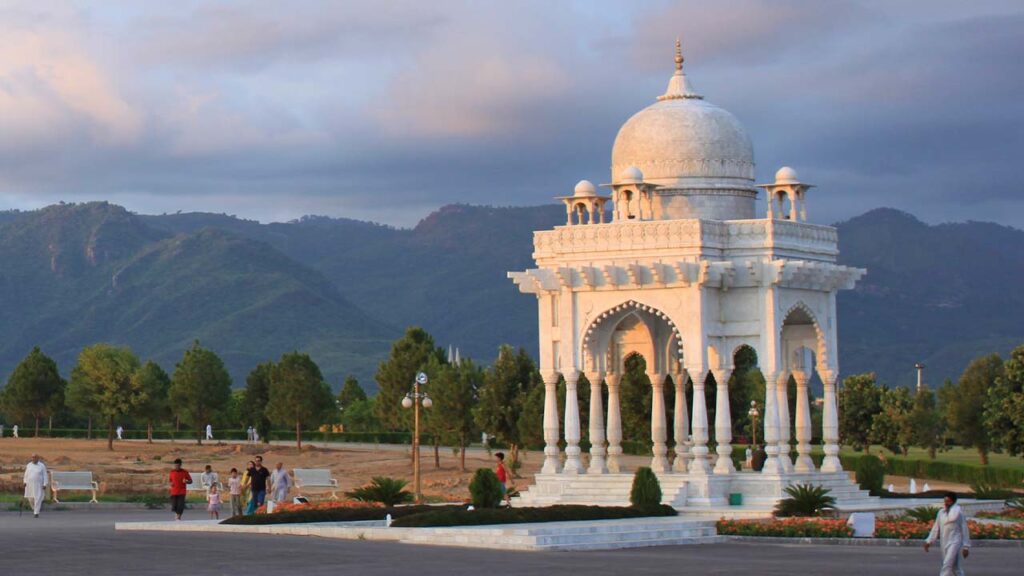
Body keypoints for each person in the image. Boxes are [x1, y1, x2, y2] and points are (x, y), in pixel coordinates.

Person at [925, 492, 971, 576]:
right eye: (945, 501)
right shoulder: (941, 513)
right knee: (955, 567)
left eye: (949, 501)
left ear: (953, 502)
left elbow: (964, 529)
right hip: (944, 541)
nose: (946, 503)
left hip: (955, 541)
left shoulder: (959, 514)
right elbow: (936, 528)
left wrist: (966, 547)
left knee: (947, 564)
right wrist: (929, 541)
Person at [23, 453, 48, 518]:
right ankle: (35, 509)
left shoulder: (42, 466)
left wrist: (45, 484)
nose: (33, 459)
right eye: (32, 457)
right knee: (30, 499)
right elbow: (26, 474)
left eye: (35, 457)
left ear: (38, 458)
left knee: (38, 498)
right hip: (29, 485)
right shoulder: (29, 465)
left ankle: (36, 513)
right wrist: (25, 481)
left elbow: (45, 475)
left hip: (38, 485)